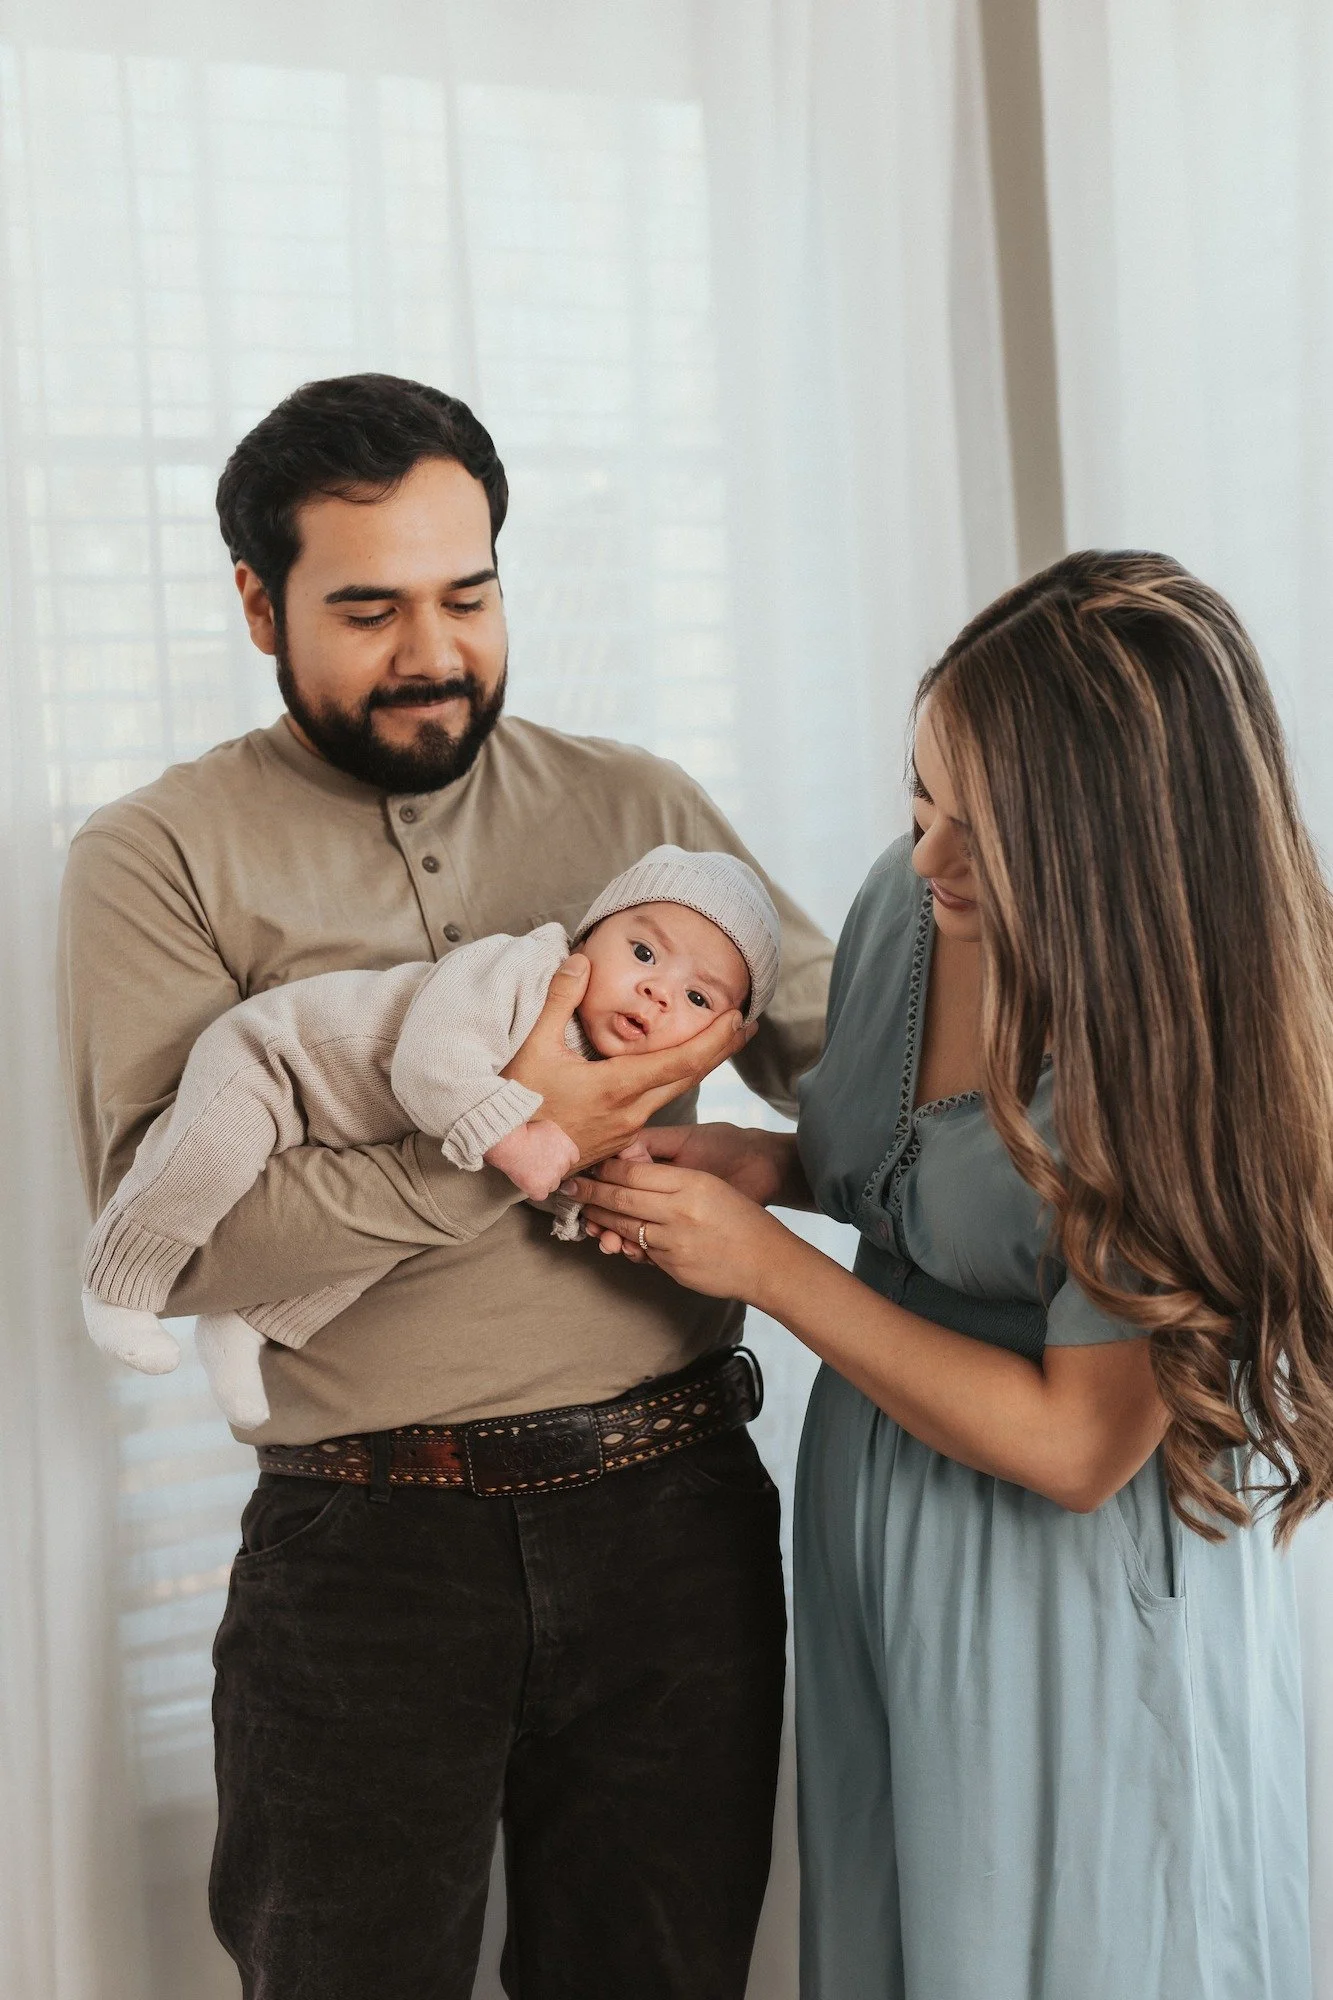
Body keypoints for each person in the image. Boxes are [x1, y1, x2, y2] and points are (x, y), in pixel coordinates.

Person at [56, 373, 833, 2000]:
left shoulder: (640, 814)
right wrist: (518, 1123)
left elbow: (857, 1073)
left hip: (677, 1521)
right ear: (258, 603)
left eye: (467, 595)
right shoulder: (154, 856)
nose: (433, 651)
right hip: (360, 1555)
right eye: (370, 608)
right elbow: (184, 1247)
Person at [572, 551, 1327, 2000]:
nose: (926, 859)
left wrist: (772, 1274)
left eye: (981, 833)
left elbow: (1075, 1446)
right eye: (920, 799)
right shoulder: (908, 903)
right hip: (882, 1533)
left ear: (1113, 845)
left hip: (1071, 1599)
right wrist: (769, 1166)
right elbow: (912, 1173)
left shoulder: (1176, 1063)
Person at [80, 844, 781, 1430]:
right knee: (204, 1157)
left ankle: (250, 1324)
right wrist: (521, 1145)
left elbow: (536, 1170)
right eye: (642, 952)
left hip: (364, 1129)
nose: (659, 992)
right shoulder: (522, 968)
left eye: (697, 998)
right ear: (586, 936)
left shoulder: (613, 1078)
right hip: (278, 1064)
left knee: (397, 1233)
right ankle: (116, 1287)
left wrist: (581, 1199)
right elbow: (431, 1064)